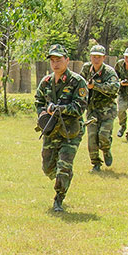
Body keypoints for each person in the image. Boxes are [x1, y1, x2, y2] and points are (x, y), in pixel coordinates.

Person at [35, 44, 87, 212]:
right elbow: (38, 101)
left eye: (59, 60)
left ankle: (59, 198)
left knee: (64, 166)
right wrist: (43, 113)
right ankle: (61, 177)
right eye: (52, 60)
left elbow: (79, 107)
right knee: (47, 167)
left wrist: (60, 109)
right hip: (51, 130)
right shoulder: (46, 82)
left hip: (70, 131)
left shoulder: (77, 82)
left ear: (67, 60)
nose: (55, 63)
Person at [80, 44, 120, 171]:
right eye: (93, 57)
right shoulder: (86, 69)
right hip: (92, 109)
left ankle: (106, 150)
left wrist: (96, 86)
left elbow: (115, 87)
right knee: (92, 137)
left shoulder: (109, 72)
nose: (96, 59)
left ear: (104, 58)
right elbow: (80, 84)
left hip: (107, 110)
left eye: (99, 57)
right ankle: (96, 163)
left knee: (103, 135)